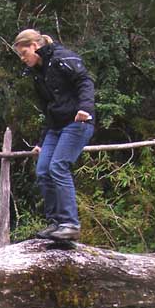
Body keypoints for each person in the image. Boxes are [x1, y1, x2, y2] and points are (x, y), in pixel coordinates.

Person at [12, 29, 95, 241]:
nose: (23, 59)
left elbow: (85, 81)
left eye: (24, 53)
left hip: (78, 122)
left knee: (58, 166)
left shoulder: (62, 58)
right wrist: (41, 141)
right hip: (55, 127)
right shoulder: (38, 73)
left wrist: (85, 108)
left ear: (34, 46)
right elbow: (48, 108)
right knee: (42, 170)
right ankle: (56, 223)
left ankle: (70, 224)